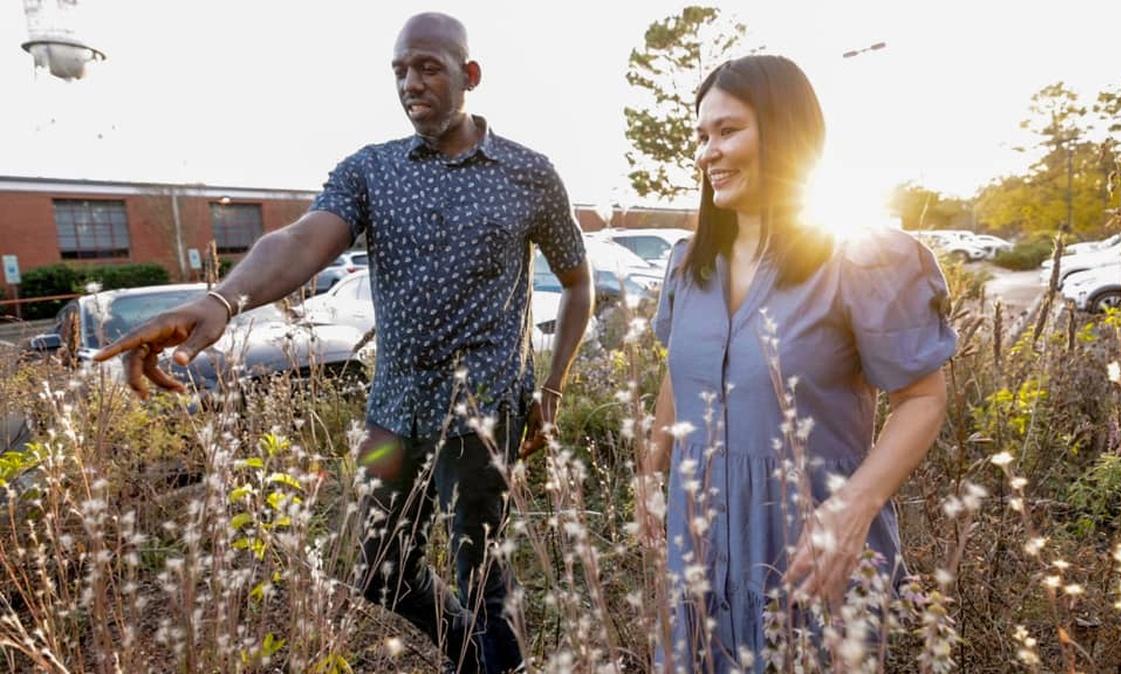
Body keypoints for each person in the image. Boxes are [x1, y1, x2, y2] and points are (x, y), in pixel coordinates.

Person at [96, 12, 594, 673]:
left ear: (468, 75)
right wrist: (221, 299)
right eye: (398, 71)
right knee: (378, 570)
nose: (410, 83)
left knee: (484, 579)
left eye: (427, 68)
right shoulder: (370, 171)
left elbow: (579, 285)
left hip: (484, 414)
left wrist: (551, 389)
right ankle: (469, 658)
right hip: (391, 416)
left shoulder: (528, 174)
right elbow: (300, 240)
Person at [639, 55, 956, 670]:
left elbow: (922, 397)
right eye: (701, 137)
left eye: (728, 131)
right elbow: (678, 376)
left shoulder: (861, 260)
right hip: (698, 551)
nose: (708, 153)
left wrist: (856, 505)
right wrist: (650, 473)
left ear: (786, 132)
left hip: (809, 548)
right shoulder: (688, 266)